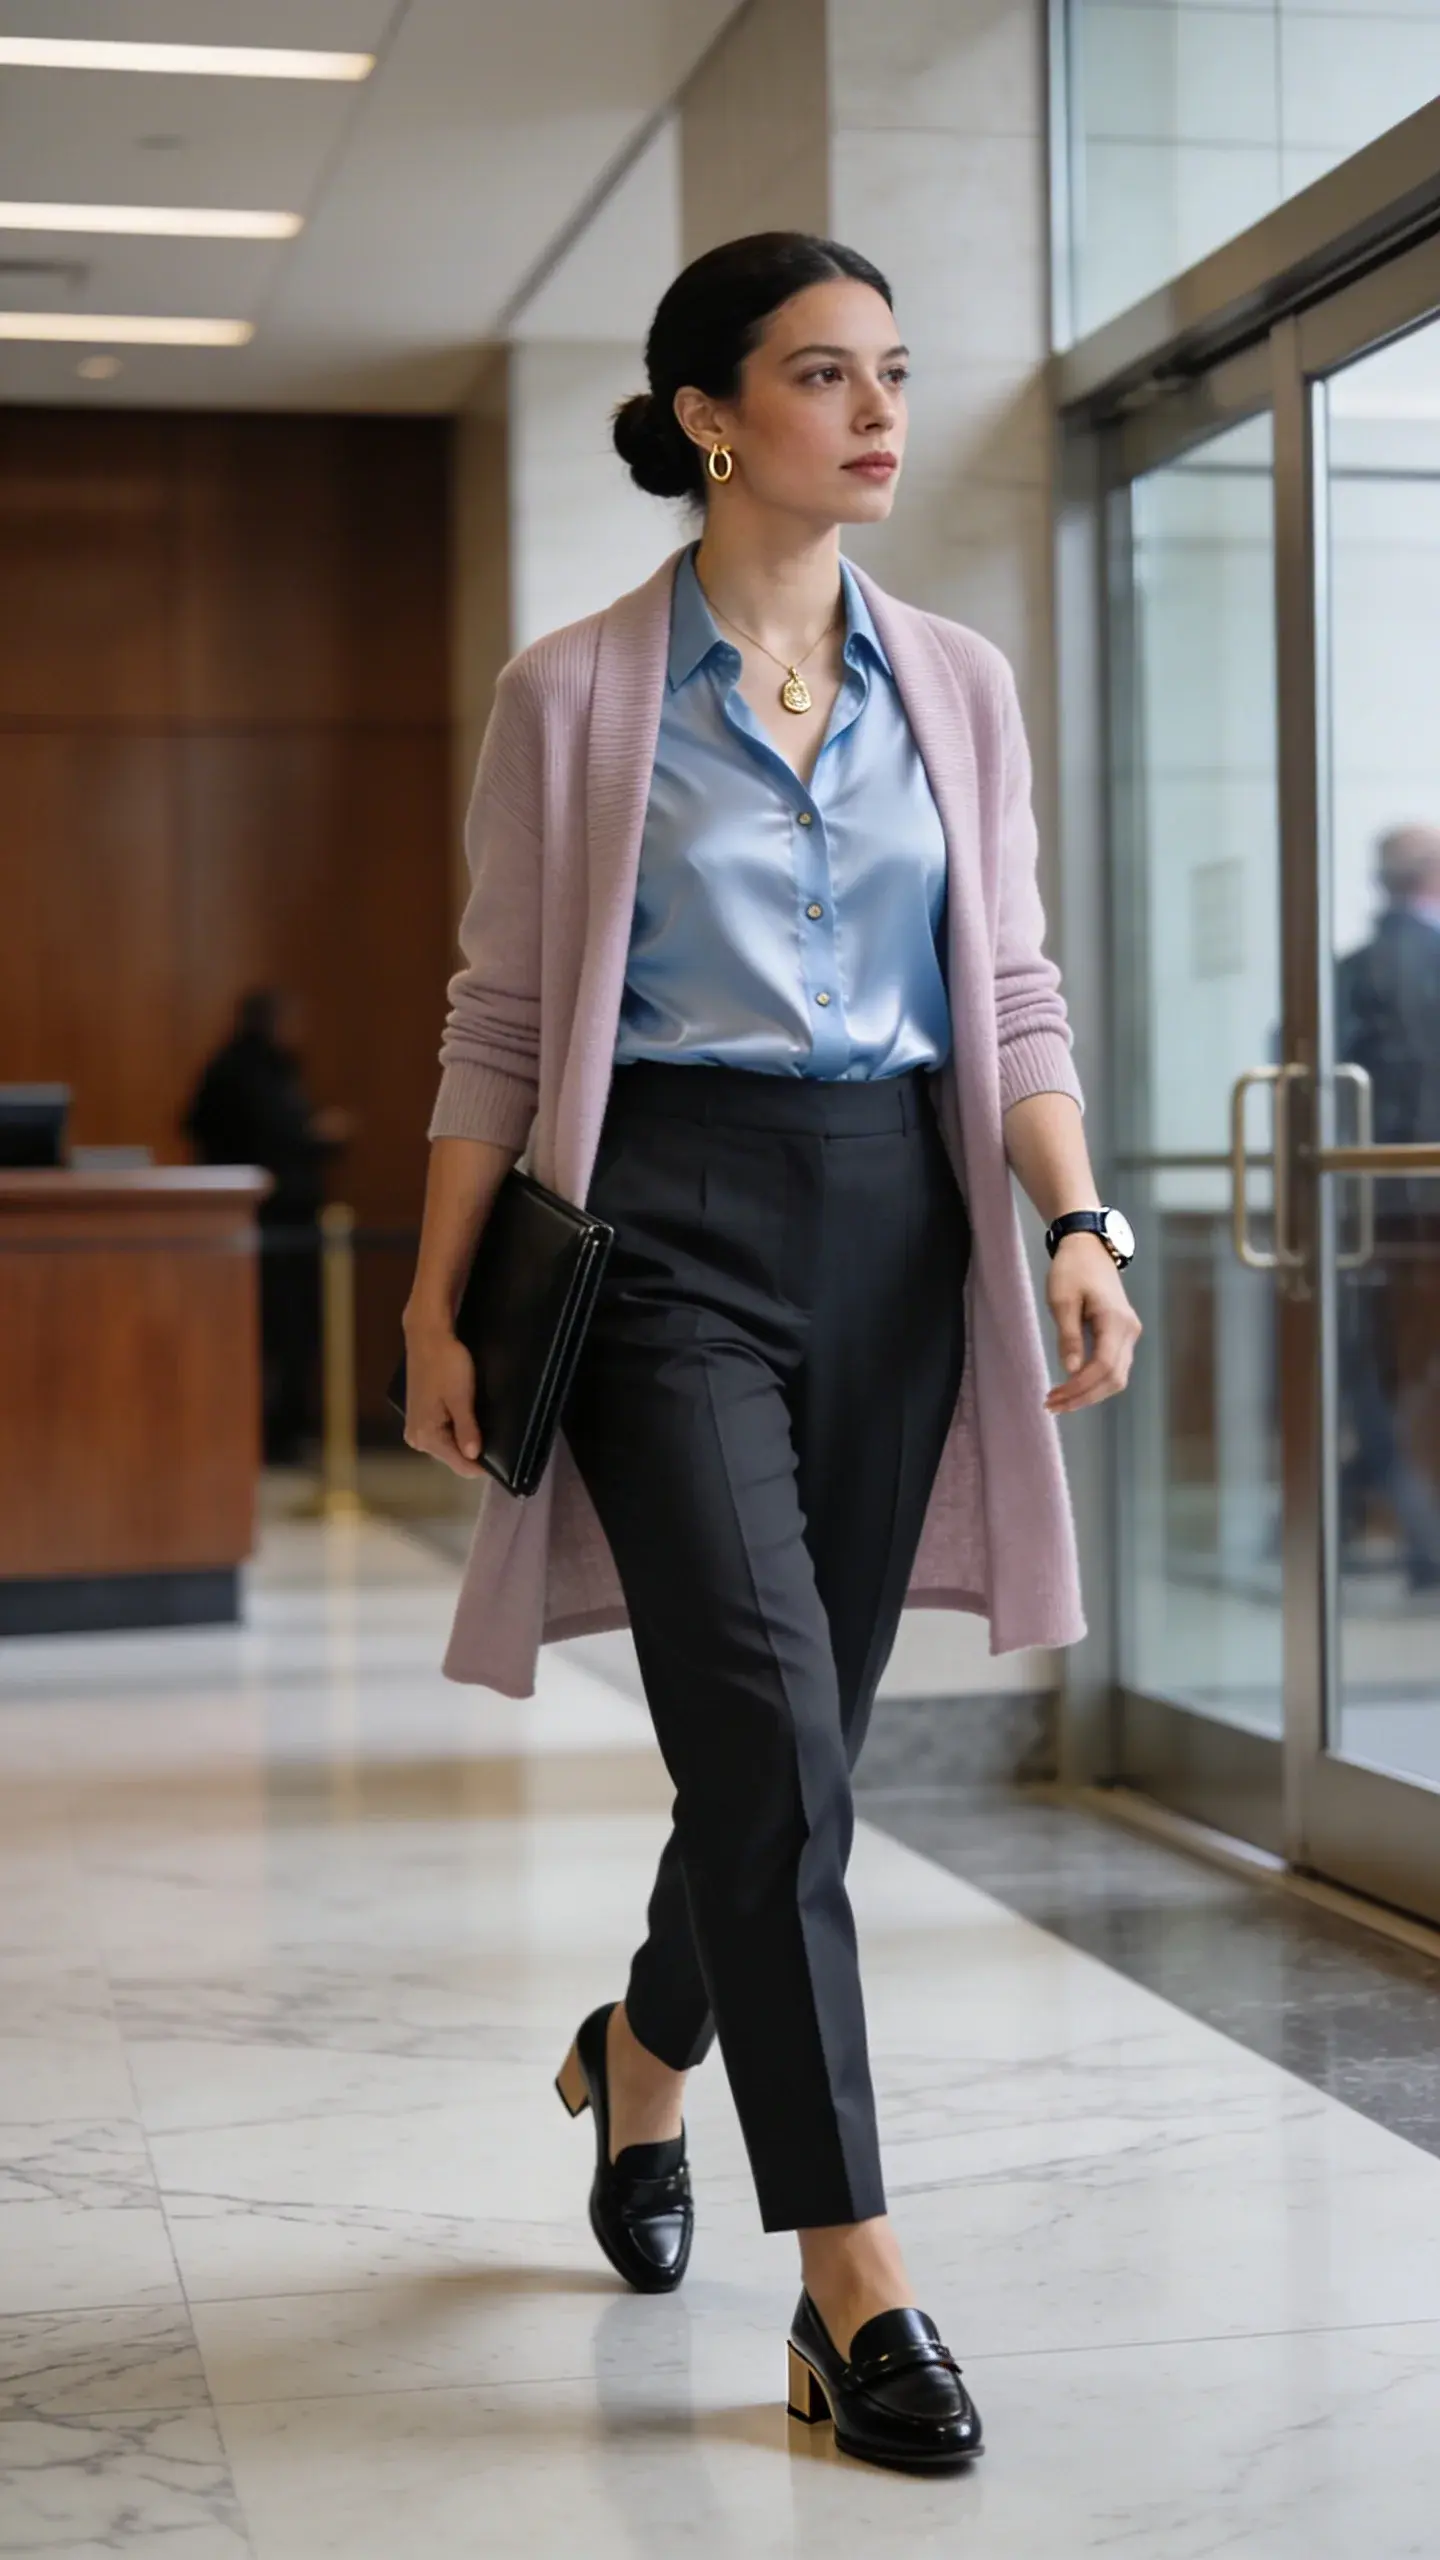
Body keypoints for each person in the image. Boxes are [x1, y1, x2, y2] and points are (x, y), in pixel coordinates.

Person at [401, 232, 1142, 2474]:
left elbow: (1009, 983)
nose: (879, 411)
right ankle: (854, 2277)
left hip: (902, 1237)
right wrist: (438, 1295)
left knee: (783, 1744)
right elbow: (507, 1021)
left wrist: (1073, 1212)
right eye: (827, 375)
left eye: (894, 371)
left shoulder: (963, 683)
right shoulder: (579, 691)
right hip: (665, 1240)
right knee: (771, 1734)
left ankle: (640, 2046)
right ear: (713, 415)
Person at [183, 987, 355, 1463]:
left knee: (287, 1334)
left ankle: (282, 1431)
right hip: (270, 1224)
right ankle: (272, 1435)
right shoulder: (246, 1072)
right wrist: (314, 1137)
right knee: (276, 1333)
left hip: (276, 1223)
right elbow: (270, 1137)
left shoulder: (250, 1069)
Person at [1334, 825, 1440, 1591]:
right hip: (1417, 1211)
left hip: (1371, 1208)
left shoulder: (1348, 972)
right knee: (1408, 1378)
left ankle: (1407, 1530)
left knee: (1385, 1375)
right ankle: (1422, 1540)